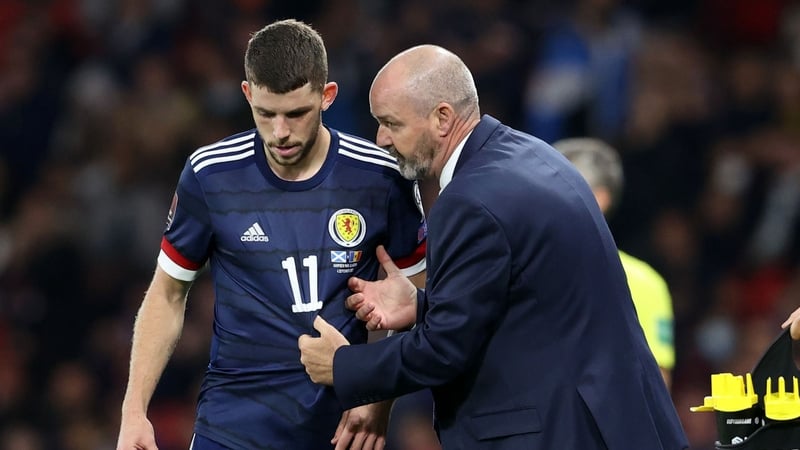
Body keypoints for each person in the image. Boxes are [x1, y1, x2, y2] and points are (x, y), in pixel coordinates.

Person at [298, 44, 688, 449]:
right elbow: (526, 302)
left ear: (442, 118)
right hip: (609, 423)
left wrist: (343, 366)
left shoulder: (470, 199)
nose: (381, 140)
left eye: (391, 123)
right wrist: (422, 305)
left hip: (565, 432)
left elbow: (444, 349)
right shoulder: (534, 156)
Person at [116, 19, 427, 450]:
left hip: (338, 431)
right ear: (247, 94)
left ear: (327, 96)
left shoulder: (382, 177)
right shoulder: (210, 175)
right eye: (266, 113)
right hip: (230, 429)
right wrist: (134, 411)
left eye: (297, 113)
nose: (280, 132)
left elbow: (417, 295)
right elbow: (168, 293)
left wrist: (378, 400)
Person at [552, 137, 676, 390]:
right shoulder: (519, 267)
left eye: (554, 185)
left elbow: (656, 382)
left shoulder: (641, 282)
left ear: (598, 198)